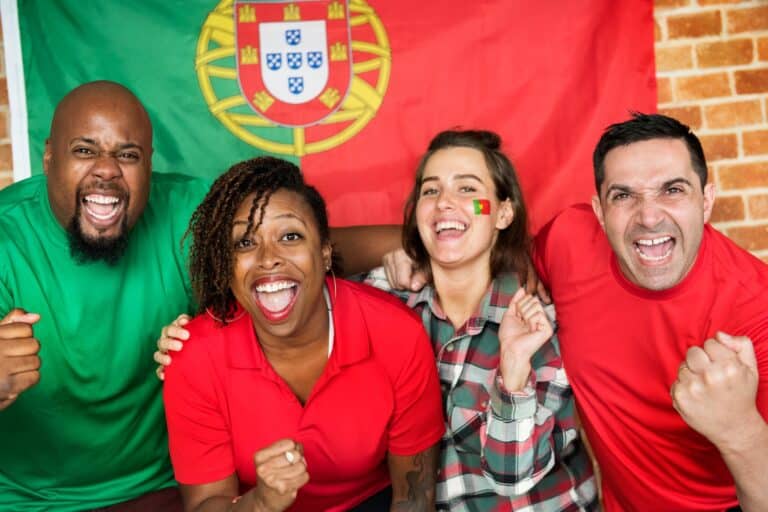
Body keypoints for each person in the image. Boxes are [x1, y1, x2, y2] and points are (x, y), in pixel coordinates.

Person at [158, 132, 597, 510]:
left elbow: (512, 476)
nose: (445, 202)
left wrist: (515, 370)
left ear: (503, 212)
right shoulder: (390, 296)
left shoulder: (537, 320)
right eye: (430, 191)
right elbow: (301, 261)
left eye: (468, 189)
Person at [383, 114, 768, 511]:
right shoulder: (568, 243)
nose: (649, 216)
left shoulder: (756, 310)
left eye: (672, 190)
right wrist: (414, 254)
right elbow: (480, 237)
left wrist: (741, 431)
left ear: (706, 200)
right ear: (599, 211)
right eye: (623, 195)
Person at [161, 156, 445, 511]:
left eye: (290, 236)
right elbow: (206, 504)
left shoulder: (397, 333)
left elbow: (414, 496)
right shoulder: (195, 357)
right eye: (245, 243)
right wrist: (262, 502)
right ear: (227, 265)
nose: (268, 258)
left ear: (325, 252)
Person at [0, 81, 209, 510]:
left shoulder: (188, 212)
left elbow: (298, 246)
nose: (108, 169)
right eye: (84, 150)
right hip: (28, 500)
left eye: (127, 155)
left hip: (164, 489)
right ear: (49, 158)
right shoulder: (6, 235)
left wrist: (389, 246)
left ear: (148, 166)